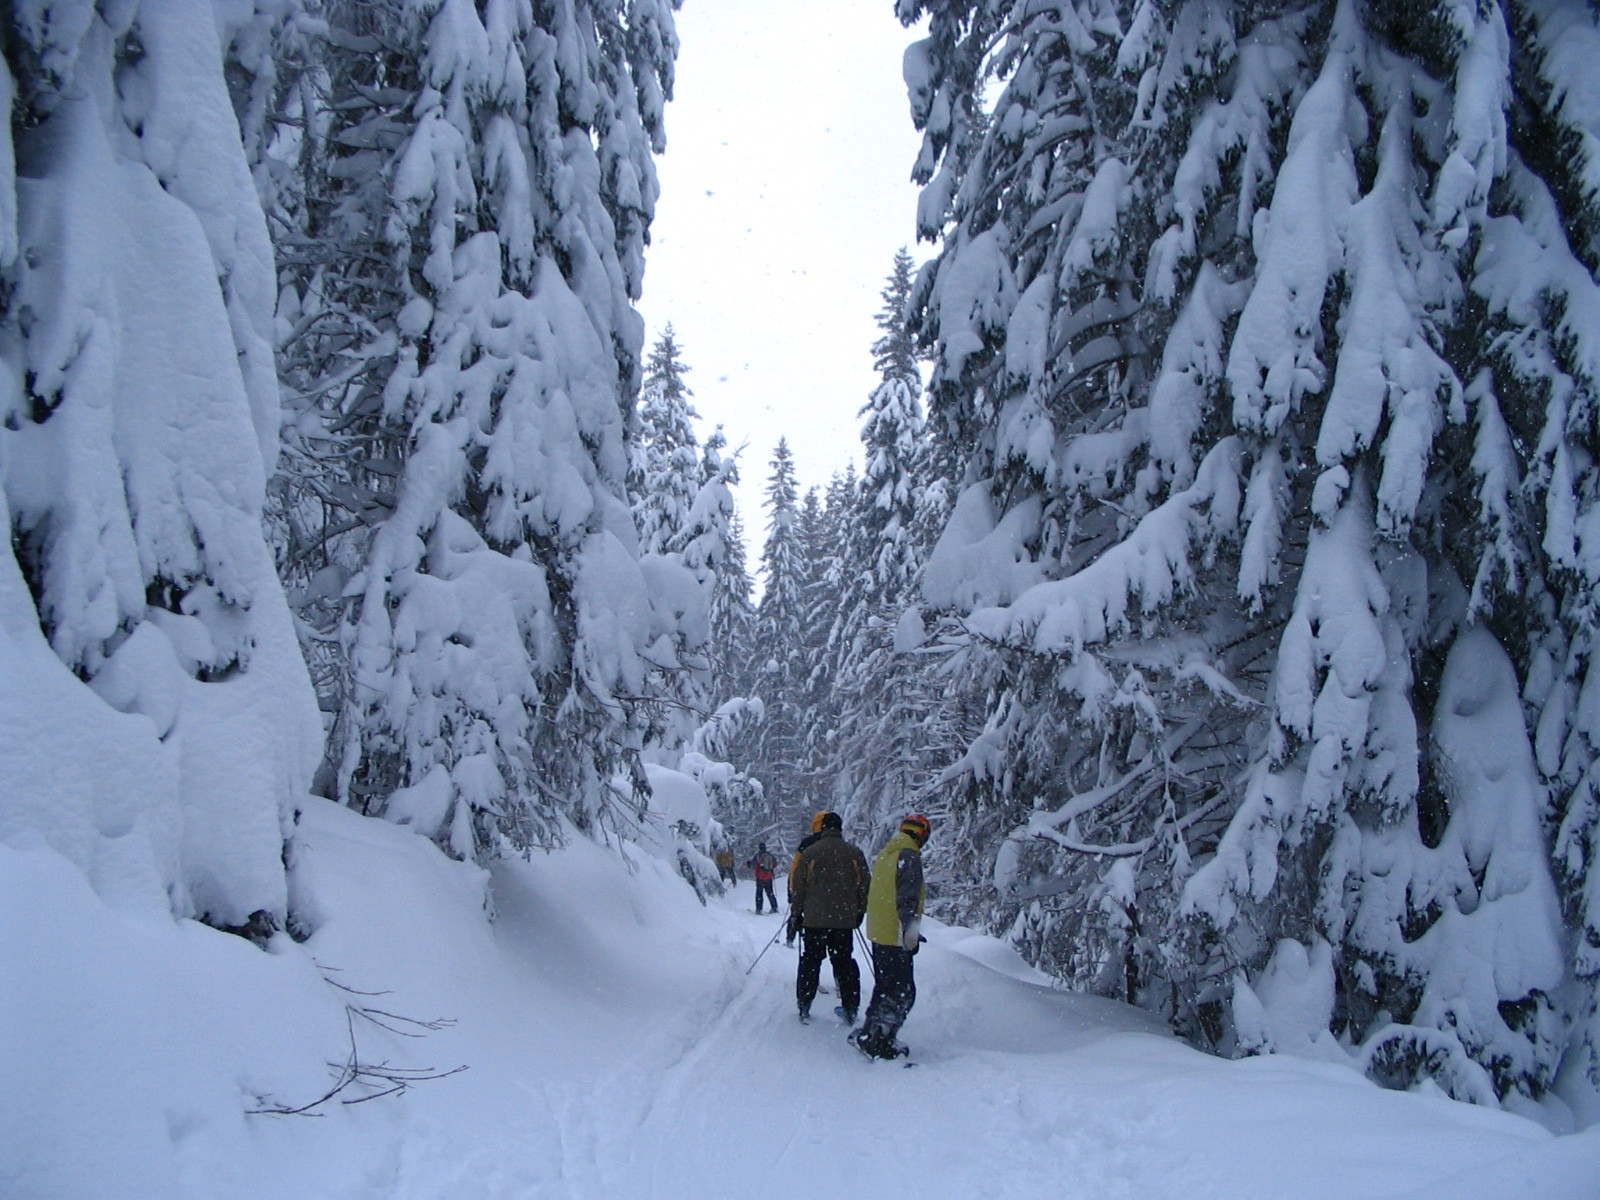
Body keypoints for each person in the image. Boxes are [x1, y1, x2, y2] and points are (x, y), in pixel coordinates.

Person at [851, 813, 930, 1059]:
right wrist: (910, 932)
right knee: (902, 991)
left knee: (885, 986)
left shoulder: (887, 854)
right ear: (922, 835)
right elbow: (907, 899)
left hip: (879, 932)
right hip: (895, 935)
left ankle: (870, 1031)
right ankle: (881, 1043)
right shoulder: (909, 857)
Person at [789, 812, 869, 1024]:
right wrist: (860, 911)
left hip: (814, 920)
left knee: (811, 961)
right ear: (840, 828)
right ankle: (850, 1007)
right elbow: (864, 885)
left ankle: (804, 1003)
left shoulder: (811, 852)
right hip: (843, 921)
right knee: (844, 963)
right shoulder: (854, 853)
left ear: (823, 828)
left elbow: (799, 886)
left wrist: (797, 913)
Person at [785, 812, 829, 947]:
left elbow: (795, 868)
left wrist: (791, 888)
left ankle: (791, 937)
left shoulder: (807, 843)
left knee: (796, 914)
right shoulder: (836, 843)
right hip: (828, 893)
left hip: (807, 891)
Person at [746, 842, 779, 913]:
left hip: (760, 877)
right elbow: (775, 864)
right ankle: (774, 907)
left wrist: (748, 864)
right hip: (769, 877)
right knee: (770, 893)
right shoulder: (769, 855)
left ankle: (759, 909)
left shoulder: (758, 855)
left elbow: (753, 865)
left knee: (759, 894)